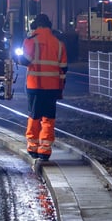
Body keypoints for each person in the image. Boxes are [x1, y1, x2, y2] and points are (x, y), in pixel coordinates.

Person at [20, 13, 68, 161]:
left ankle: (33, 147)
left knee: (34, 116)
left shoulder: (31, 40)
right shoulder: (59, 44)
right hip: (53, 87)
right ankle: (45, 150)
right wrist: (60, 88)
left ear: (37, 25)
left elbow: (25, 60)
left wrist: (16, 57)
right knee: (48, 118)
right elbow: (63, 69)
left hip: (35, 85)